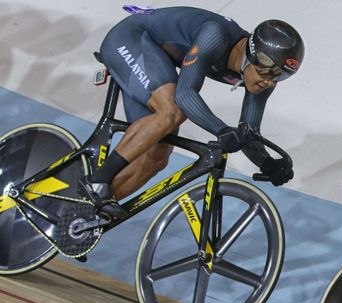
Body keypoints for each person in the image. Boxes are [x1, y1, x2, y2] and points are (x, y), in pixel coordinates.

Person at [80, 6, 304, 219]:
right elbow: (185, 94)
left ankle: (84, 214)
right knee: (173, 111)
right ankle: (97, 182)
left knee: (157, 157)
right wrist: (221, 130)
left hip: (156, 58)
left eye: (280, 76)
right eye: (268, 72)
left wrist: (266, 163)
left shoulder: (261, 80)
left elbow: (247, 133)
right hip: (131, 37)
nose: (270, 81)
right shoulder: (215, 35)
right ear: (251, 56)